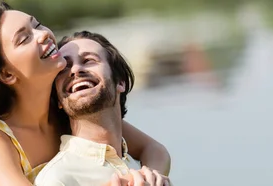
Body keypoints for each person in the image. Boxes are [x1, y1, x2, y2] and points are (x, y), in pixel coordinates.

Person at [0, 2, 170, 186]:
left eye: (36, 25)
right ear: (7, 74)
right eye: (24, 38)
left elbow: (154, 149)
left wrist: (145, 178)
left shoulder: (63, 107)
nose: (43, 35)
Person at [34, 31, 171, 186]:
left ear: (120, 82)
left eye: (88, 60)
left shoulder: (143, 171)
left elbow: (156, 150)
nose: (76, 69)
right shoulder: (57, 179)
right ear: (58, 99)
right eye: (65, 68)